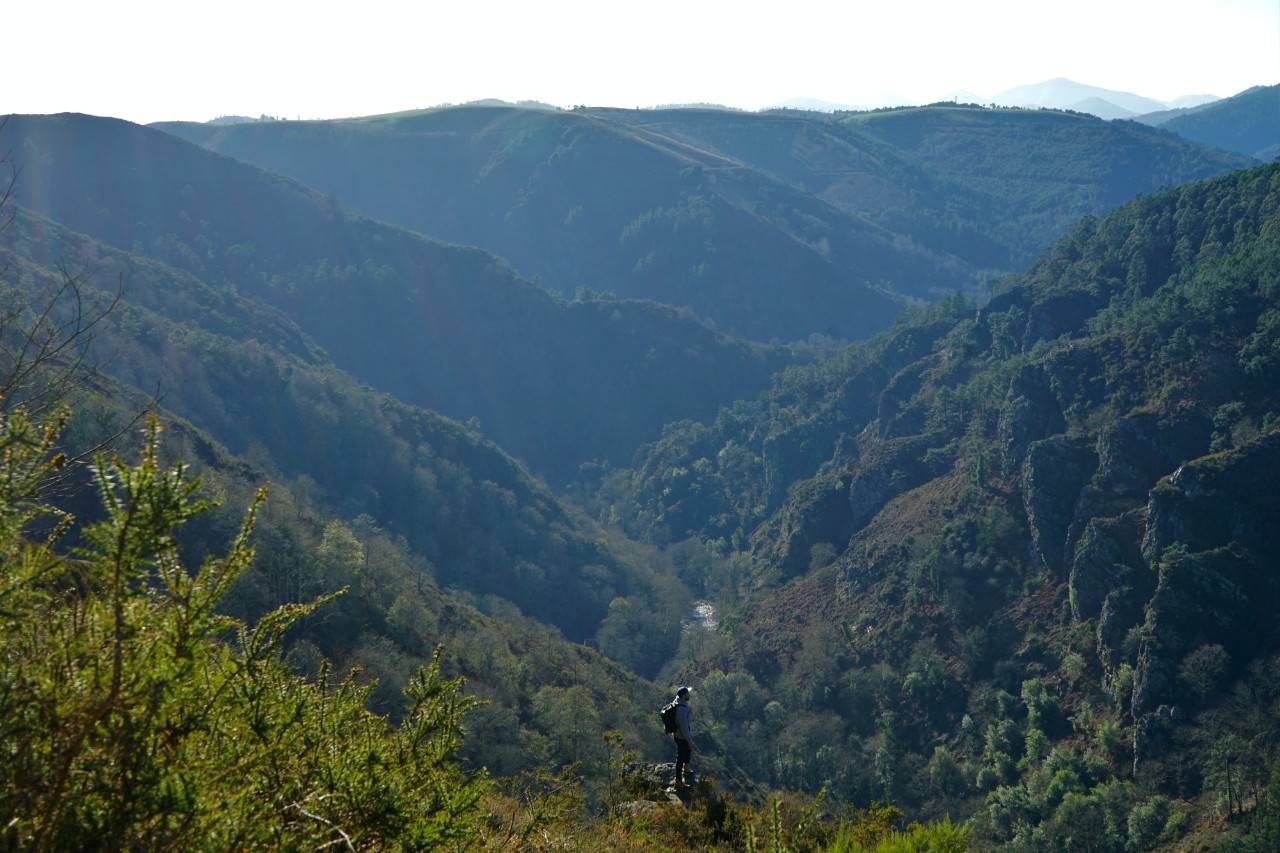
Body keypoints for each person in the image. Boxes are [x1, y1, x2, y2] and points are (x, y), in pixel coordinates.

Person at [672, 686, 695, 789]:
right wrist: (689, 740)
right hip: (681, 736)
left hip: (678, 735)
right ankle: (678, 781)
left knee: (687, 751)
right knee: (680, 758)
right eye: (687, 693)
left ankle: (687, 769)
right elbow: (684, 728)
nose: (689, 695)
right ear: (684, 695)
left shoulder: (678, 702)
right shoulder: (681, 709)